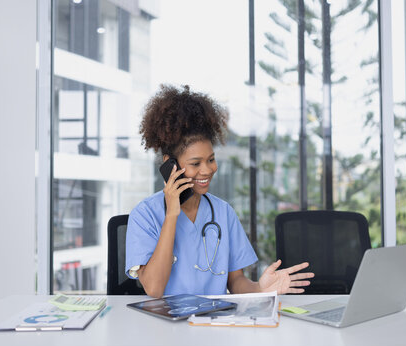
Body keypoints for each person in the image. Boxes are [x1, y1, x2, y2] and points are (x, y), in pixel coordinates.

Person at [125, 84, 314, 298]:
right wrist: (172, 215)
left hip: (214, 324)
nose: (208, 170)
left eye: (211, 160)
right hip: (165, 326)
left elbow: (236, 283)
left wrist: (261, 289)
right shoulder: (144, 215)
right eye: (196, 163)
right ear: (171, 165)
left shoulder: (223, 212)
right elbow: (154, 289)